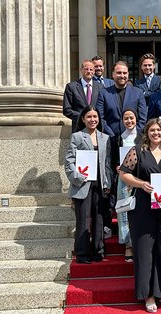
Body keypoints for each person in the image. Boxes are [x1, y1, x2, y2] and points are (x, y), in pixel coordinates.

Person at [119, 118, 161, 313]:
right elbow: (123, 173)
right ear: (147, 133)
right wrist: (141, 184)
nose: (156, 133)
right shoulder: (137, 151)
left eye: (159, 130)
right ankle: (148, 295)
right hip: (143, 209)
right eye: (152, 130)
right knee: (145, 252)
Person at [64, 105, 113, 264]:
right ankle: (82, 253)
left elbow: (107, 164)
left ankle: (98, 250)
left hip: (100, 184)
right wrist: (78, 177)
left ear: (99, 119)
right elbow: (69, 162)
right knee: (83, 219)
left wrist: (108, 182)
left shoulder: (105, 138)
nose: (93, 120)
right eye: (89, 117)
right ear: (83, 119)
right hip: (83, 183)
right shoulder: (77, 137)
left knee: (99, 219)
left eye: (95, 117)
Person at [115, 108, 142, 262]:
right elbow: (114, 158)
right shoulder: (118, 137)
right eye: (126, 118)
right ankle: (128, 245)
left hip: (139, 177)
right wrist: (117, 166)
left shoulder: (143, 137)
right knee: (124, 210)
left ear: (136, 119)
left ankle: (139, 242)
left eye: (131, 118)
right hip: (123, 178)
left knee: (139, 210)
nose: (129, 121)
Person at [96, 60, 148, 138]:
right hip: (110, 138)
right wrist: (110, 134)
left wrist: (133, 133)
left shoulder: (138, 93)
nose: (122, 75)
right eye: (119, 73)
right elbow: (100, 117)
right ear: (113, 74)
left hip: (133, 139)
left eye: (124, 73)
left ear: (128, 74)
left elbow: (143, 118)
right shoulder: (104, 93)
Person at [63, 59, 104, 131]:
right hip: (78, 128)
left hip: (96, 129)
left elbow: (103, 108)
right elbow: (67, 110)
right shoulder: (71, 87)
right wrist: (83, 117)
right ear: (81, 70)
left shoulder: (101, 87)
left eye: (91, 69)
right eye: (86, 69)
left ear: (94, 71)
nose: (89, 71)